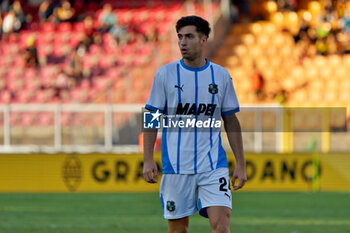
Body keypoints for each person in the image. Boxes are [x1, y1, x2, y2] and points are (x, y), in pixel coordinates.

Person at [143, 16, 246, 233]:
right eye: (180, 37)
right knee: (178, 230)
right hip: (175, 168)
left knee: (221, 227)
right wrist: (148, 159)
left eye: (189, 36)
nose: (182, 42)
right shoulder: (165, 74)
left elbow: (231, 120)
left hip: (213, 166)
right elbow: (151, 116)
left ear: (203, 39)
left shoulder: (221, 76)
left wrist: (240, 164)